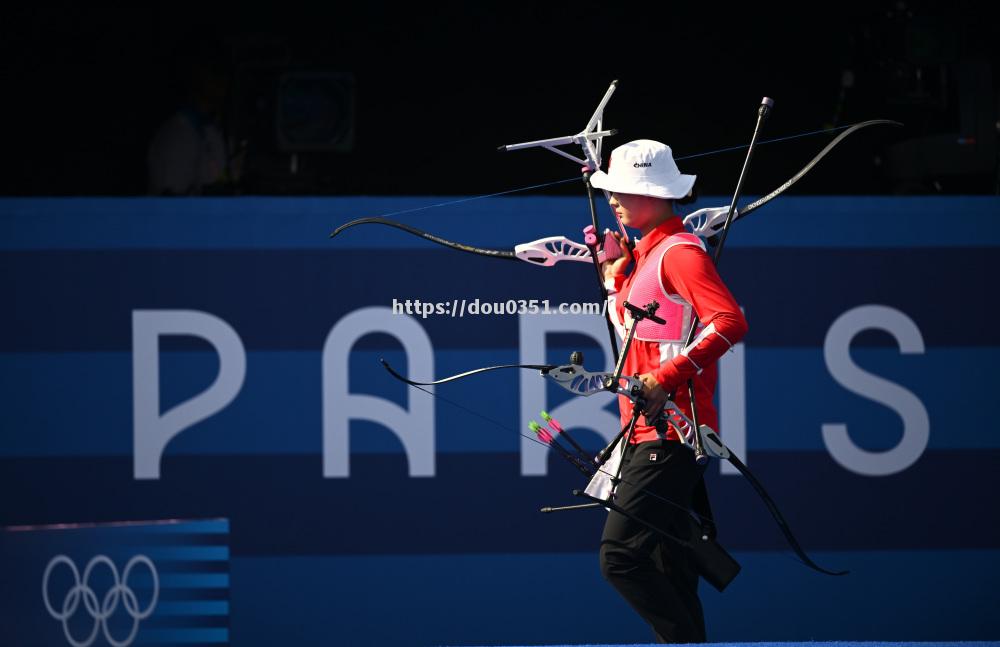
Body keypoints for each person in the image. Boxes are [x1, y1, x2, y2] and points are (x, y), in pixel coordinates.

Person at [589, 140, 749, 643]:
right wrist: (615, 277)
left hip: (671, 432)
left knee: (620, 558)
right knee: (671, 565)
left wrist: (667, 376)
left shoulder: (678, 252)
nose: (613, 199)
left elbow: (729, 322)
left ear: (655, 194)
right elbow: (634, 339)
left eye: (623, 190)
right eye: (611, 190)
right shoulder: (647, 254)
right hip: (644, 432)